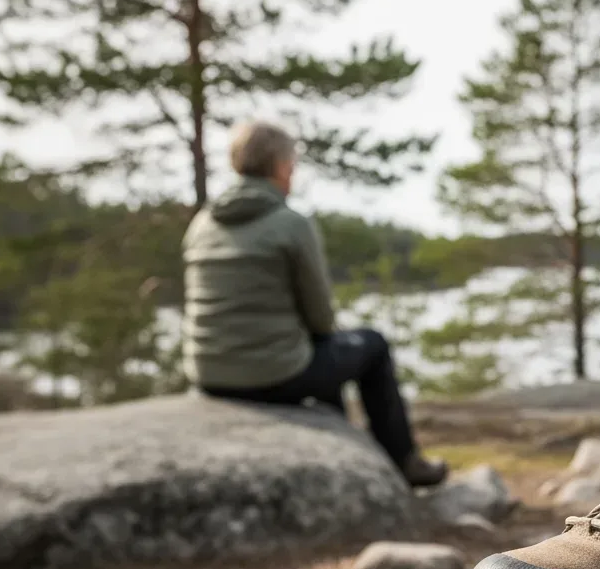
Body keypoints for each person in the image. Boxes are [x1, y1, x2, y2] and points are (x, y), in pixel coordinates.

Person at [181, 120, 447, 487]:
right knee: (372, 345)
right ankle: (405, 462)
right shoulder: (290, 224)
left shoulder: (202, 223)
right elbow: (321, 319)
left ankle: (347, 452)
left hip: (209, 375)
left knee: (322, 353)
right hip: (273, 375)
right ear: (280, 167)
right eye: (292, 165)